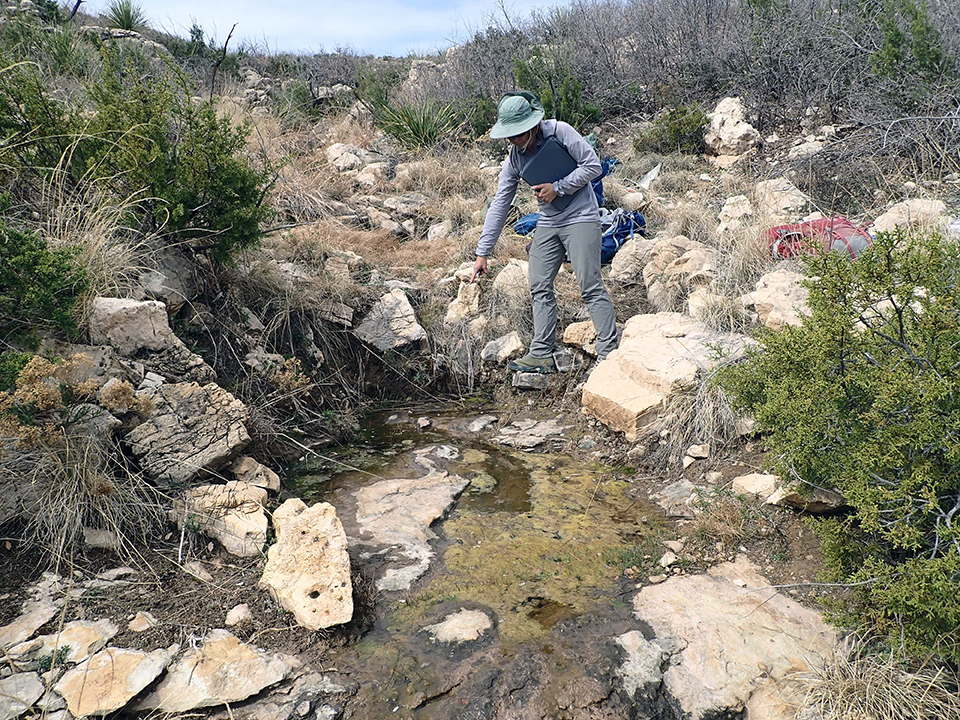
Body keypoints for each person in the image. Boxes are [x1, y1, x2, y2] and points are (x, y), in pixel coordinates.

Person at [470, 91, 618, 374]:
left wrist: (558, 188)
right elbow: (501, 202)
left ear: (532, 125)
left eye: (517, 134)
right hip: (548, 222)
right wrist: (482, 252)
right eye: (509, 135)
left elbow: (593, 165)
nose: (512, 140)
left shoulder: (560, 131)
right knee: (538, 284)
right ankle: (541, 353)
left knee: (589, 284)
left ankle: (608, 354)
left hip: (581, 216)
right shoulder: (514, 158)